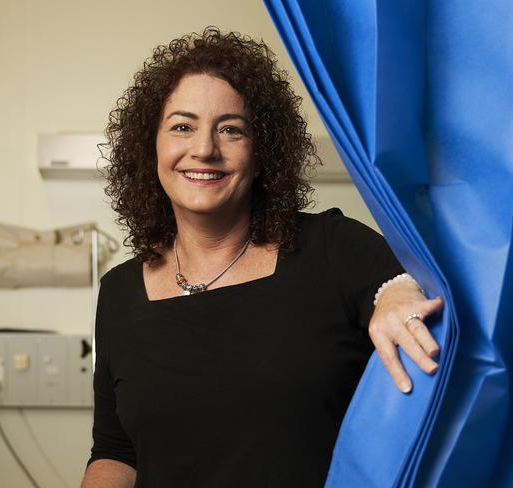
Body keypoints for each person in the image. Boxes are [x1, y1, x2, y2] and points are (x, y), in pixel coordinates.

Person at [81, 27, 444, 488]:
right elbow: (116, 452)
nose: (204, 149)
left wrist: (398, 294)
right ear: (150, 146)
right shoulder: (119, 292)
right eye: (182, 126)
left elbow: (405, 288)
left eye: (231, 129)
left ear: (262, 153)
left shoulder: (332, 247)